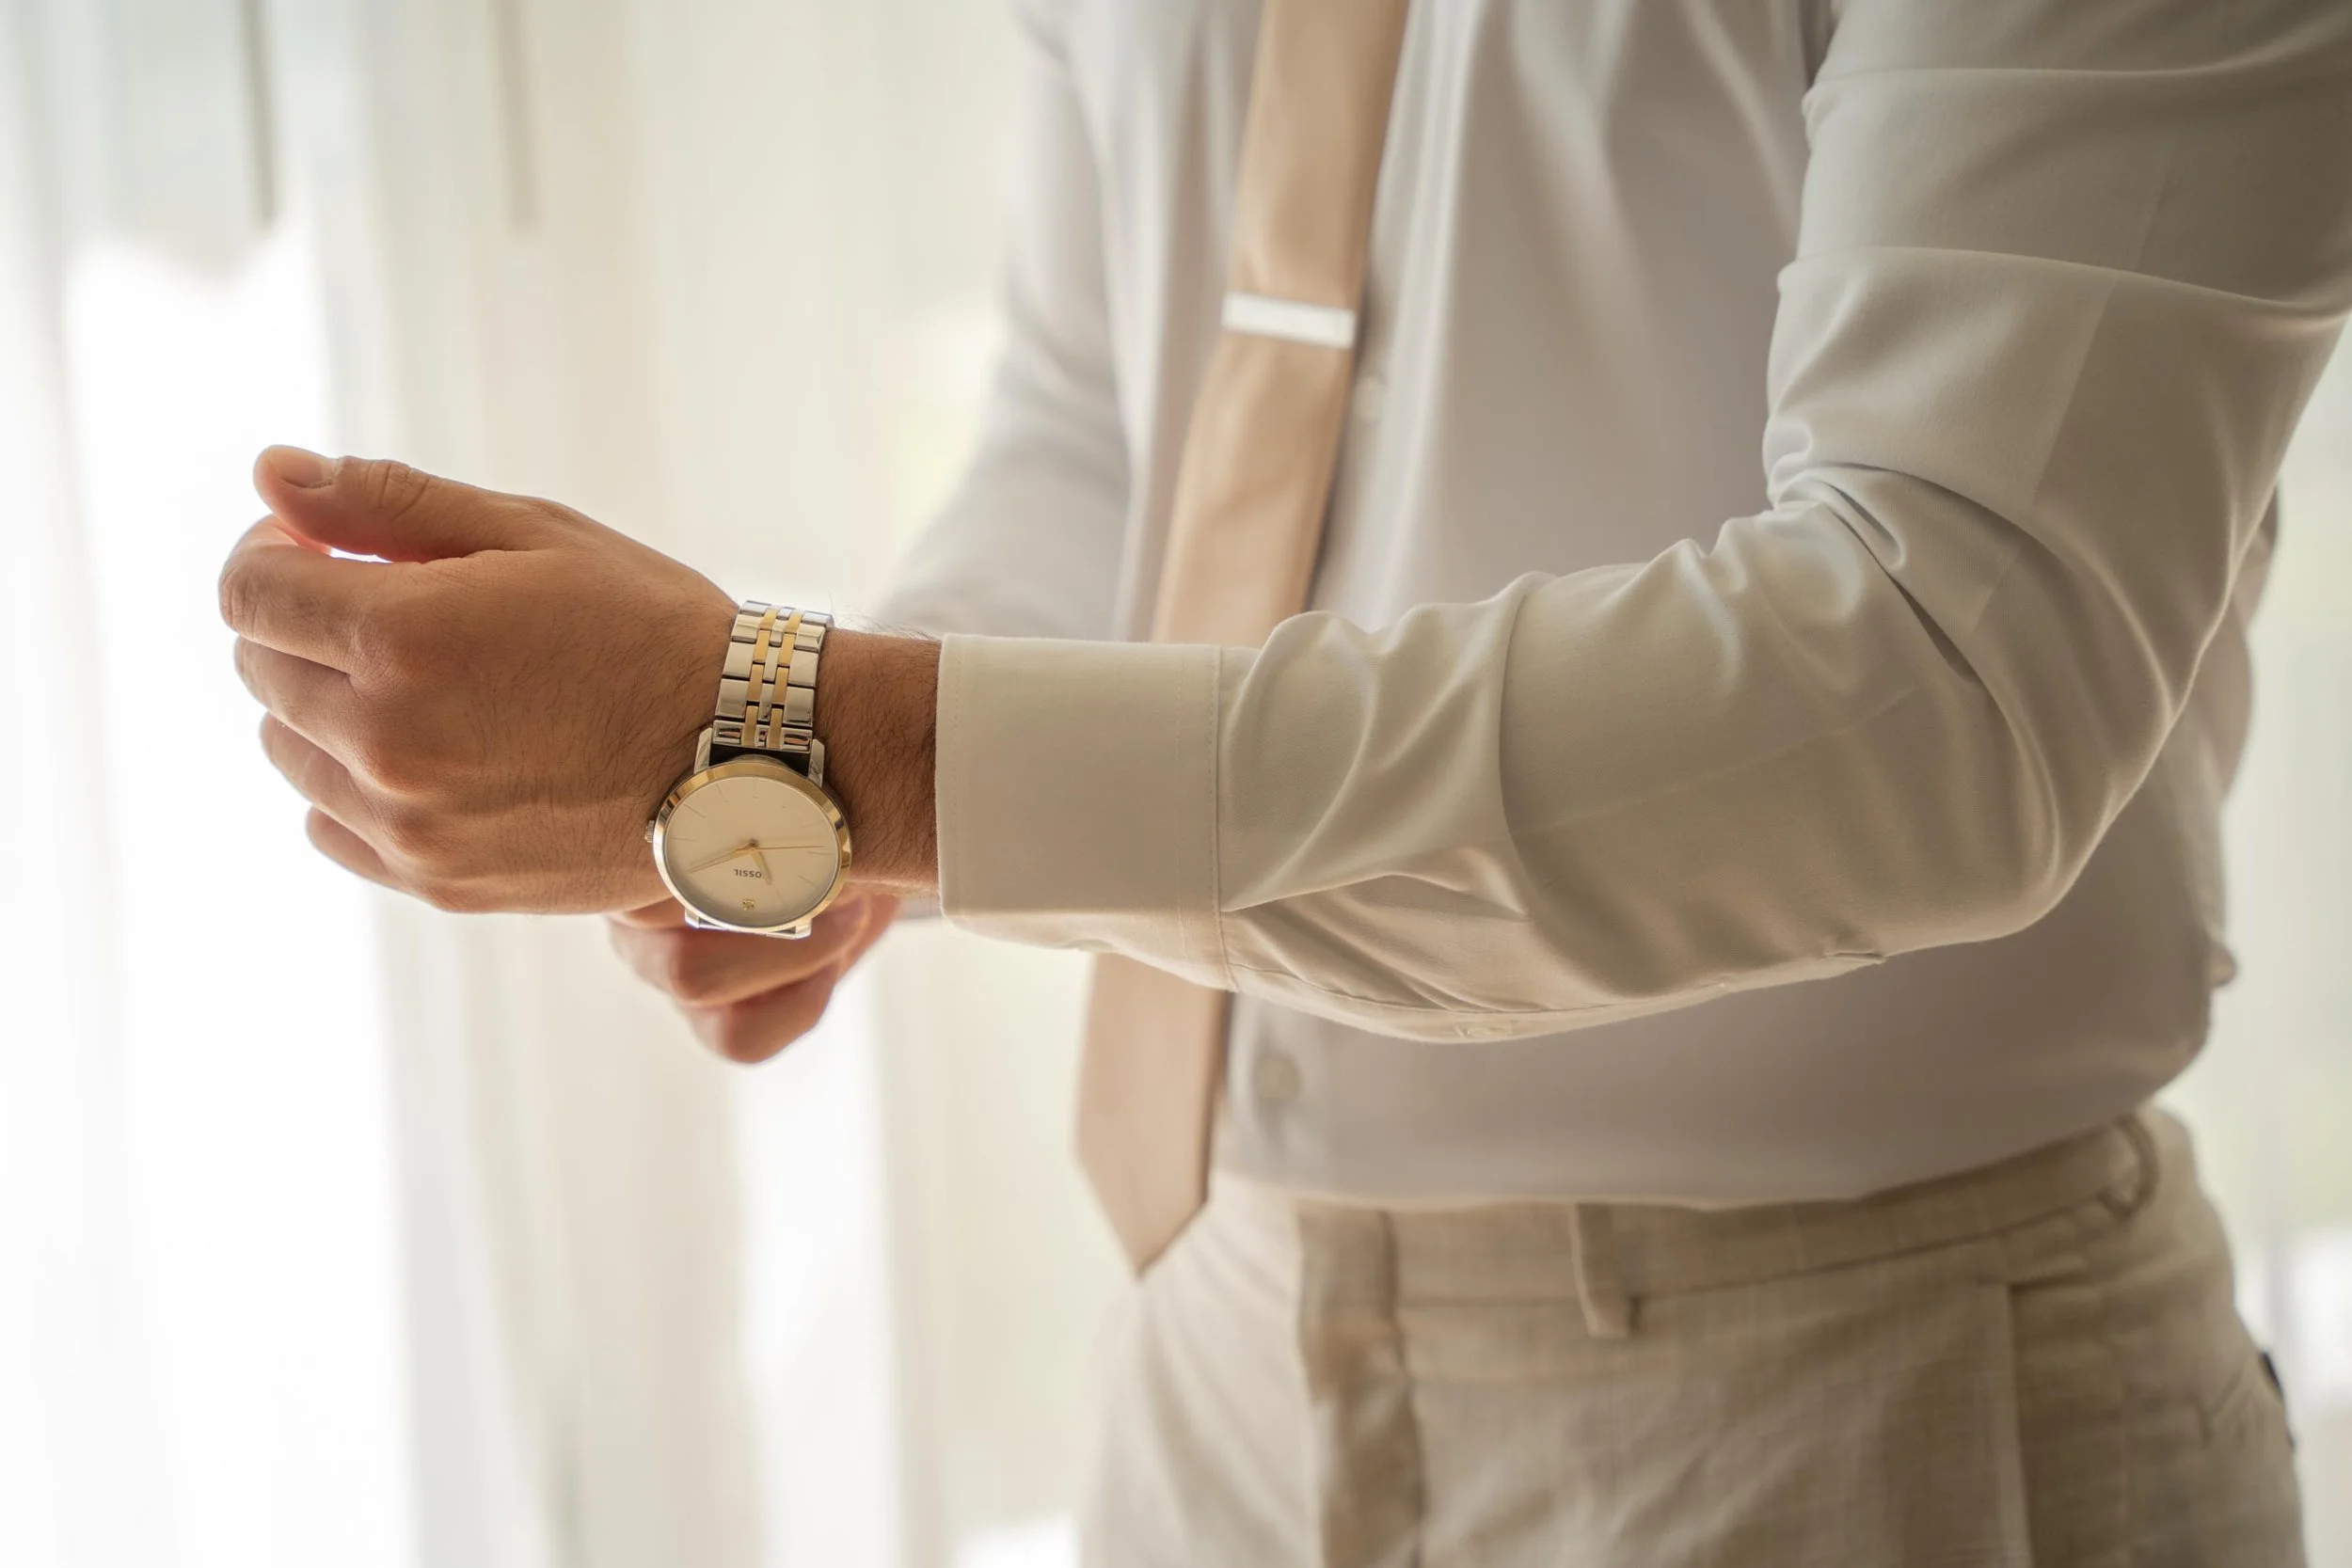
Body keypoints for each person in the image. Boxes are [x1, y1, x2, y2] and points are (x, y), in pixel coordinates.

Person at [219, 0, 2351, 1560]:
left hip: (1862, 1408)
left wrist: (828, 737)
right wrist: (835, 813)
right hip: (1212, 1359)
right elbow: (1103, 401)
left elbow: (1943, 673)